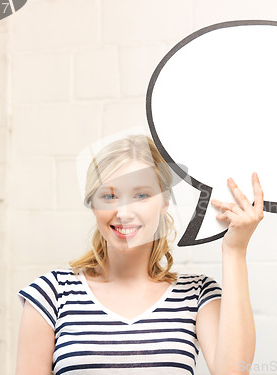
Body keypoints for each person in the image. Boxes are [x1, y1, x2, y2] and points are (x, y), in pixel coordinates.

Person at [15, 134, 264, 375]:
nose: (123, 212)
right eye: (109, 196)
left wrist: (235, 250)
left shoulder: (197, 294)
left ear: (165, 201)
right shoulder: (51, 293)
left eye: (141, 195)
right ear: (93, 204)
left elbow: (232, 372)